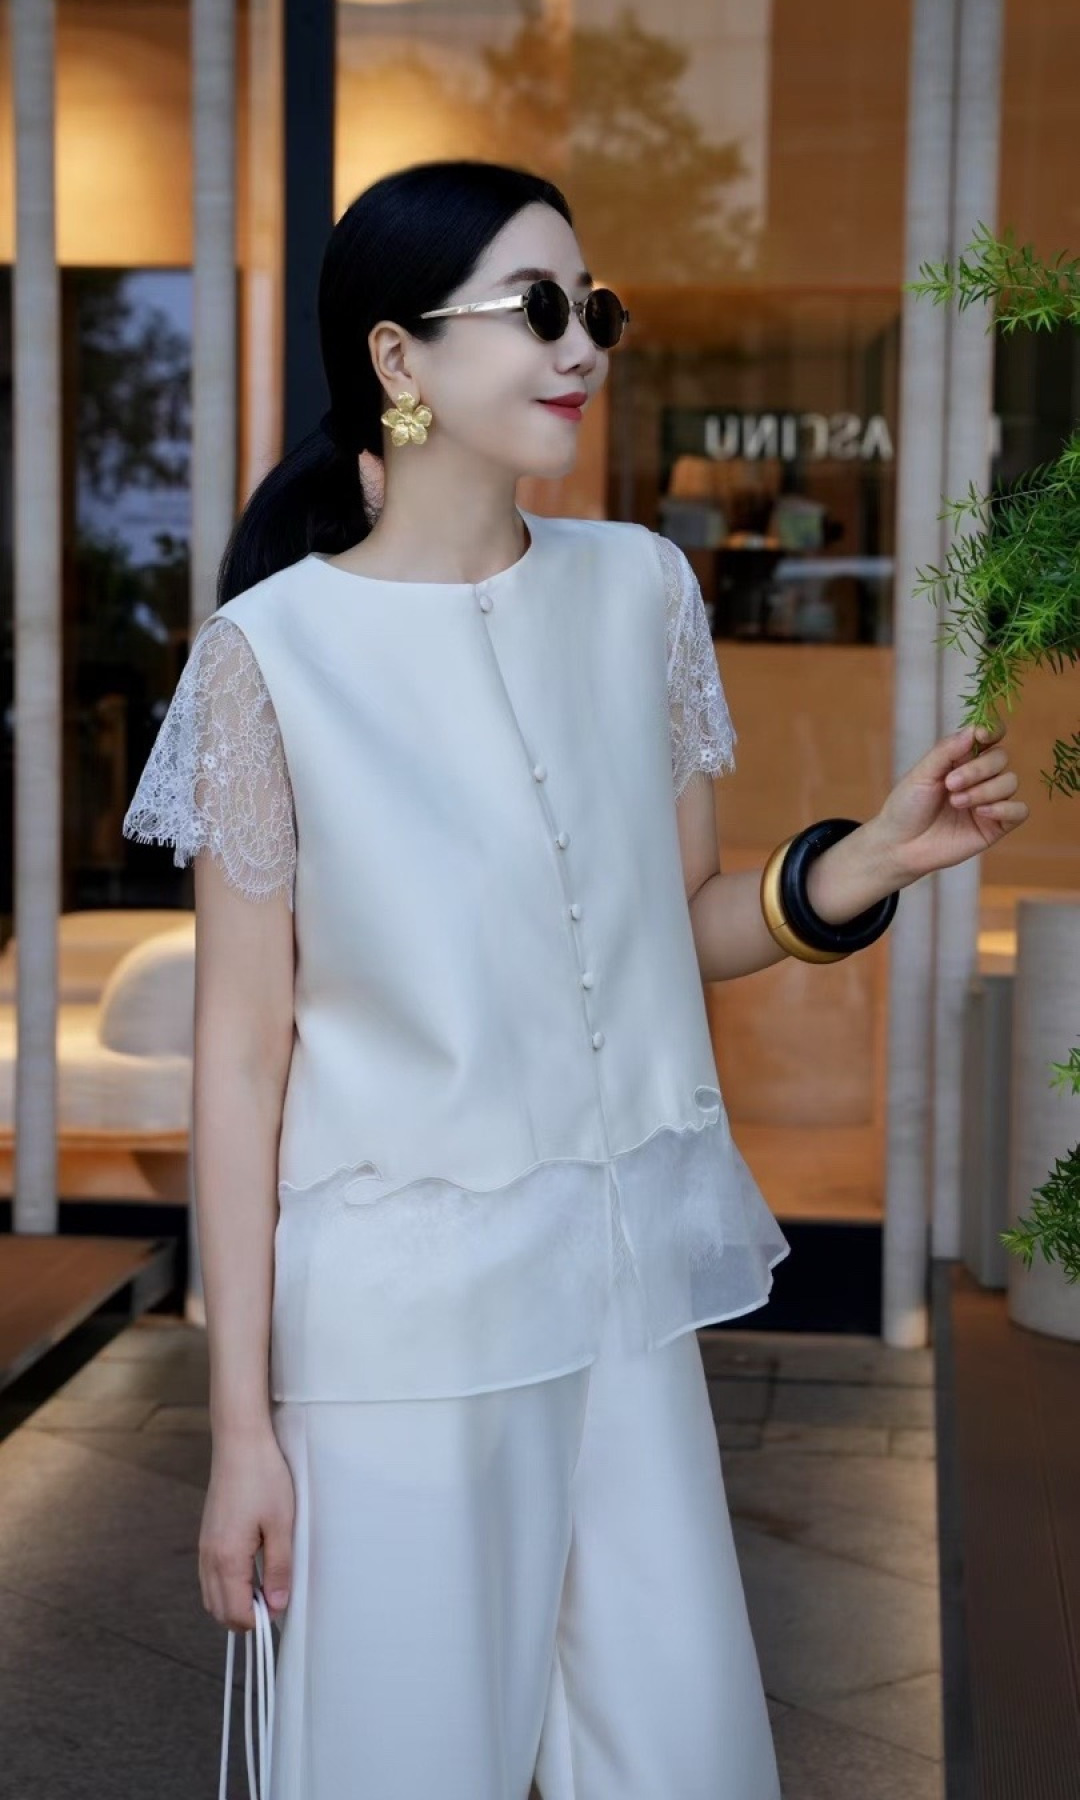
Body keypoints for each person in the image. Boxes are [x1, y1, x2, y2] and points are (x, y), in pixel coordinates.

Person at [122, 159, 1028, 1800]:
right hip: (394, 1328)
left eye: (593, 308)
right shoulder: (271, 657)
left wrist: (867, 864)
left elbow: (675, 926)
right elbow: (242, 1064)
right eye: (539, 308)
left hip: (620, 1294)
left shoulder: (642, 594)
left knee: (683, 1757)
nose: (582, 345)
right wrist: (241, 1430)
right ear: (397, 357)